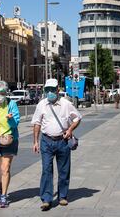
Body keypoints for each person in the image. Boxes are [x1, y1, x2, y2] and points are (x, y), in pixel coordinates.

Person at [31, 78, 82, 211]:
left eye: (52, 90)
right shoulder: (41, 104)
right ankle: (46, 199)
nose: (50, 93)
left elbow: (77, 118)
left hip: (63, 141)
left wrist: (70, 130)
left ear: (57, 90)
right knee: (46, 169)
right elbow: (37, 123)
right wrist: (35, 141)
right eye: (47, 90)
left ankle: (63, 196)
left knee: (64, 170)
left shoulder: (66, 104)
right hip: (46, 141)